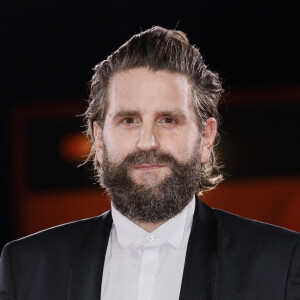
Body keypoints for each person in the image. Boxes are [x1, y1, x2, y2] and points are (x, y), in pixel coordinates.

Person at [0, 26, 299, 300]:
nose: (147, 142)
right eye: (129, 120)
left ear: (206, 138)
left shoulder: (281, 264)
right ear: (99, 140)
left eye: (168, 120)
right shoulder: (25, 268)